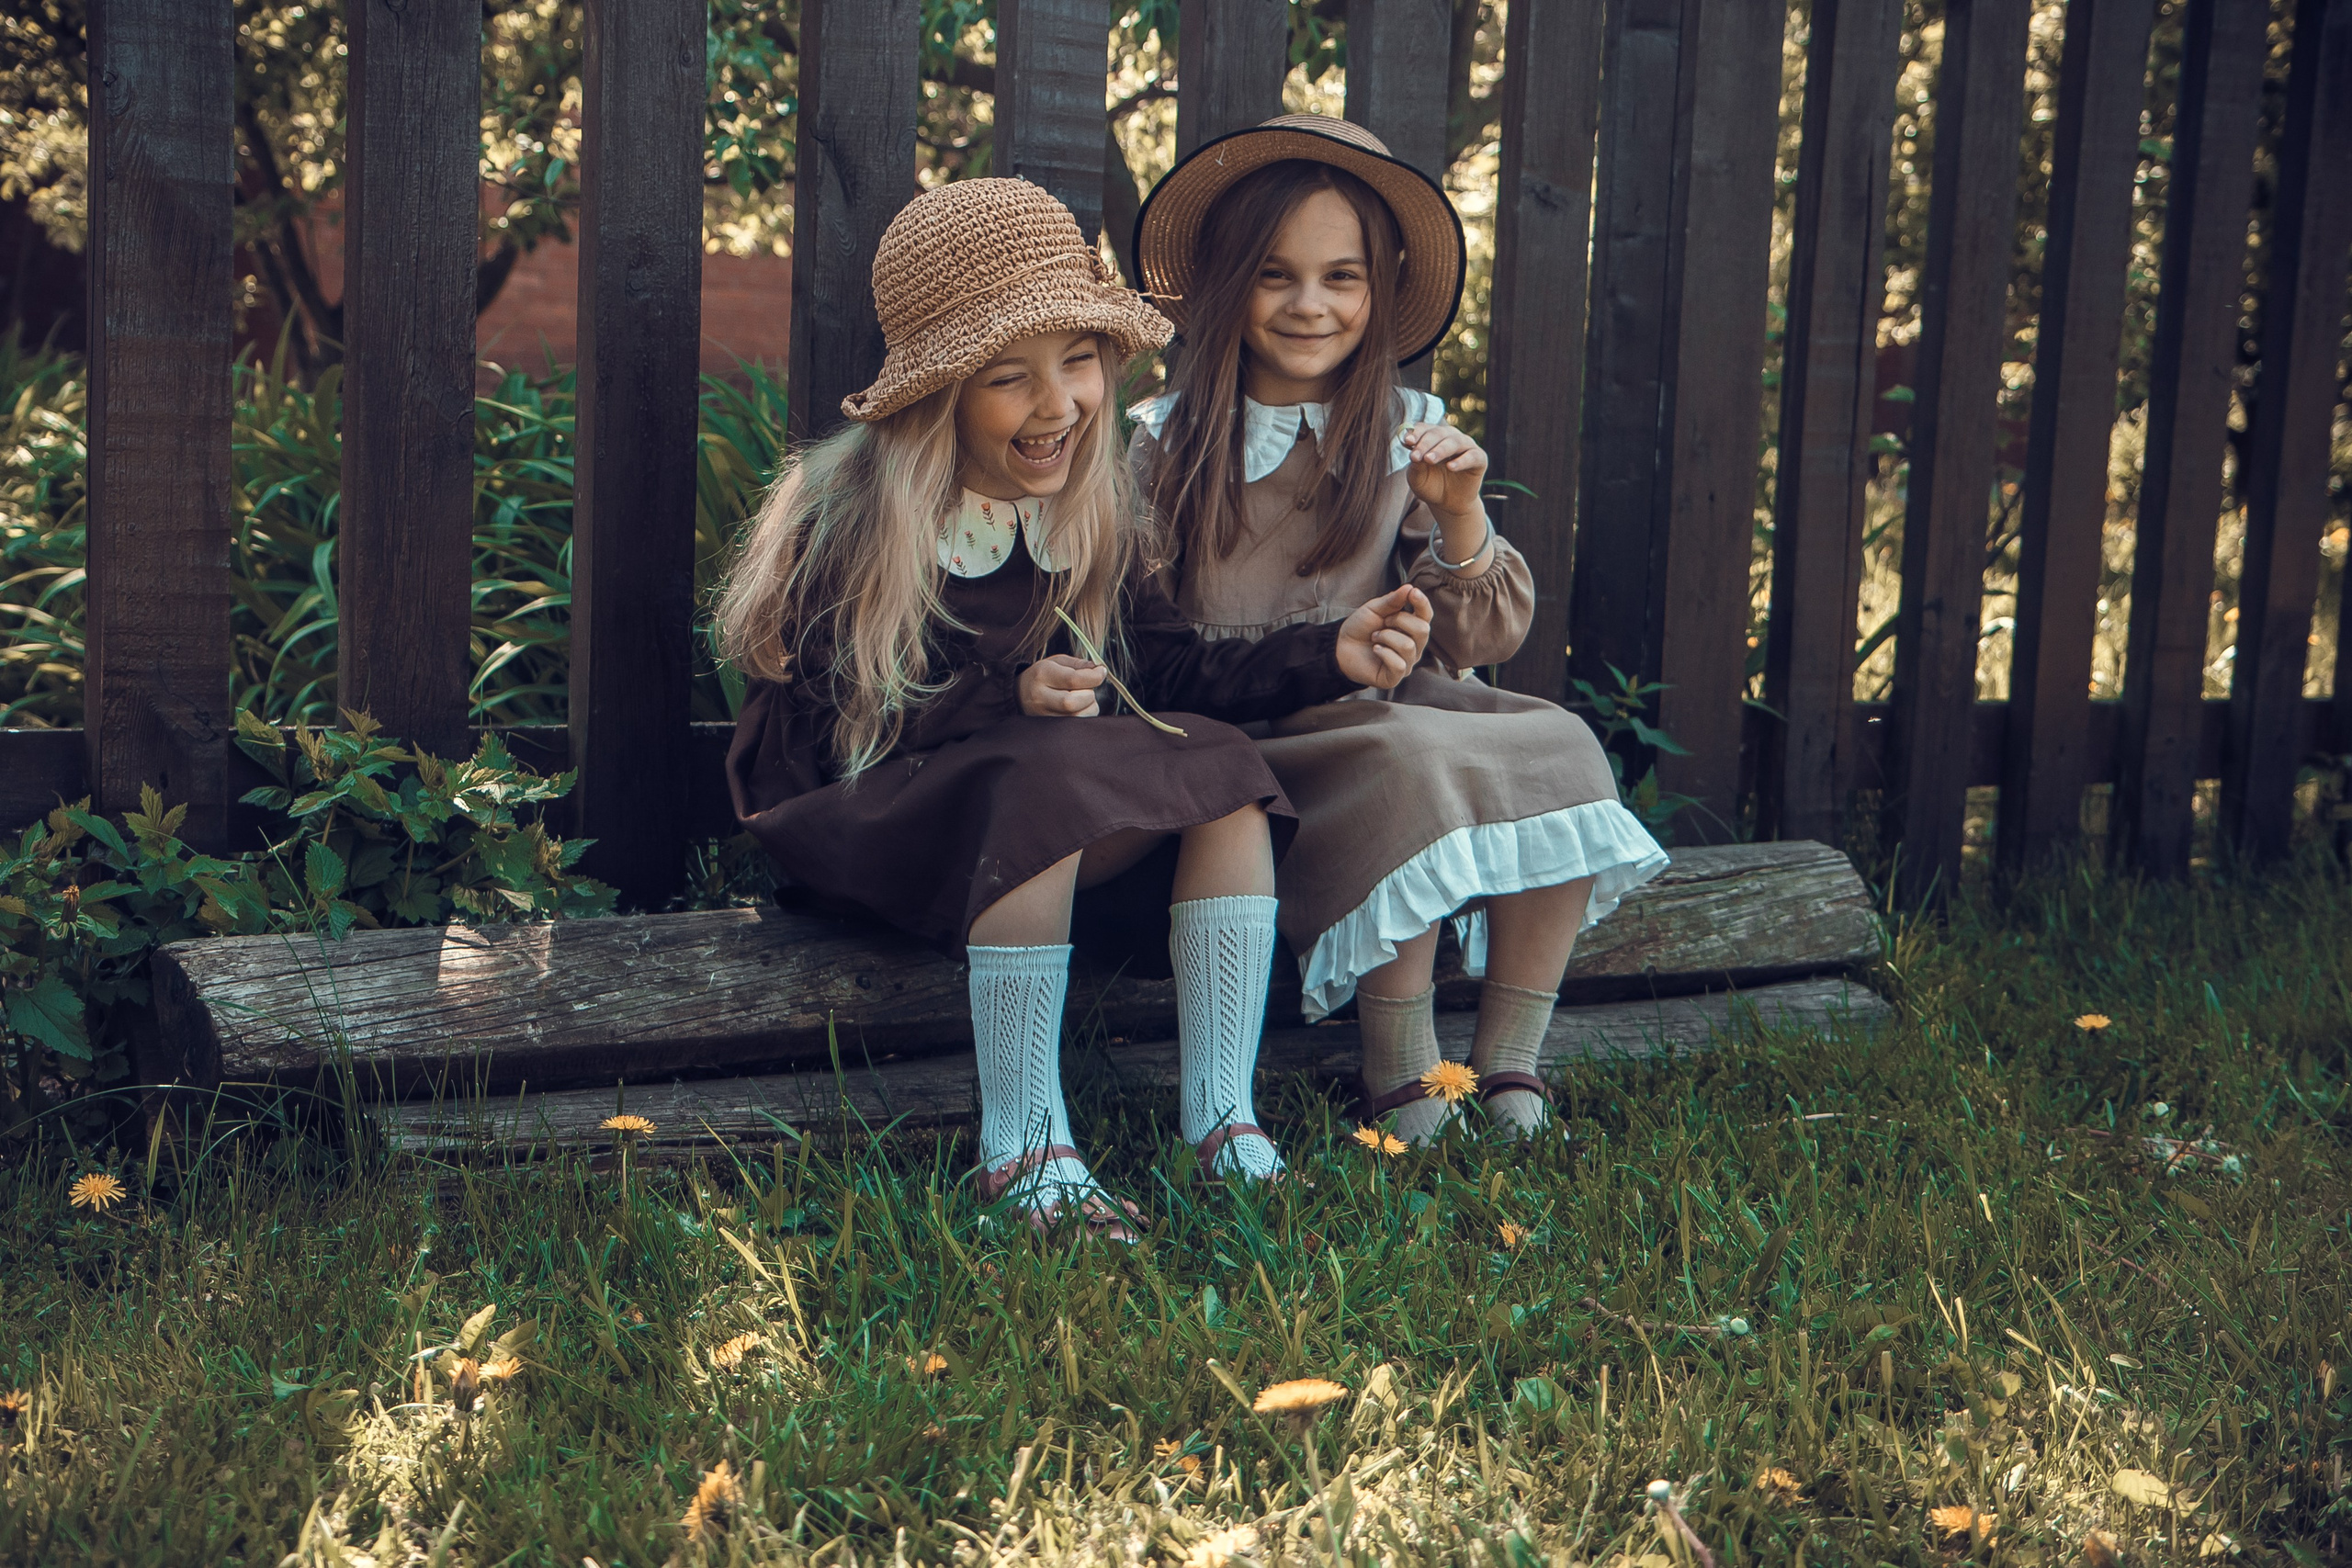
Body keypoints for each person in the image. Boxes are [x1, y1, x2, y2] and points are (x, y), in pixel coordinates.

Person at [717, 178, 1433, 1238]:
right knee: (1046, 774)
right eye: (1009, 378)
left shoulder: (1090, 508)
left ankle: (1222, 1123)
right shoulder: (863, 517)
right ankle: (1025, 1147)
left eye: (1081, 362)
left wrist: (1327, 652)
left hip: (1028, 811)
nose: (1058, 406)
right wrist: (1002, 696)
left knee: (1217, 762)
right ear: (938, 396)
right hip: (878, 813)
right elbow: (831, 723)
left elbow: (1166, 676)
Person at [1129, 115, 1668, 1144]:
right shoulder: (1161, 446)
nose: (1309, 305)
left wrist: (1458, 514)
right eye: (1276, 275)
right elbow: (1150, 650)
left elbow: (1479, 637)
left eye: (1342, 277)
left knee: (1556, 739)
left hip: (1384, 704)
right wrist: (1328, 656)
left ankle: (1509, 1063)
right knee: (1408, 755)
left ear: (1376, 294)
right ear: (1226, 283)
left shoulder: (1402, 429)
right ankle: (1401, 1072)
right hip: (1256, 723)